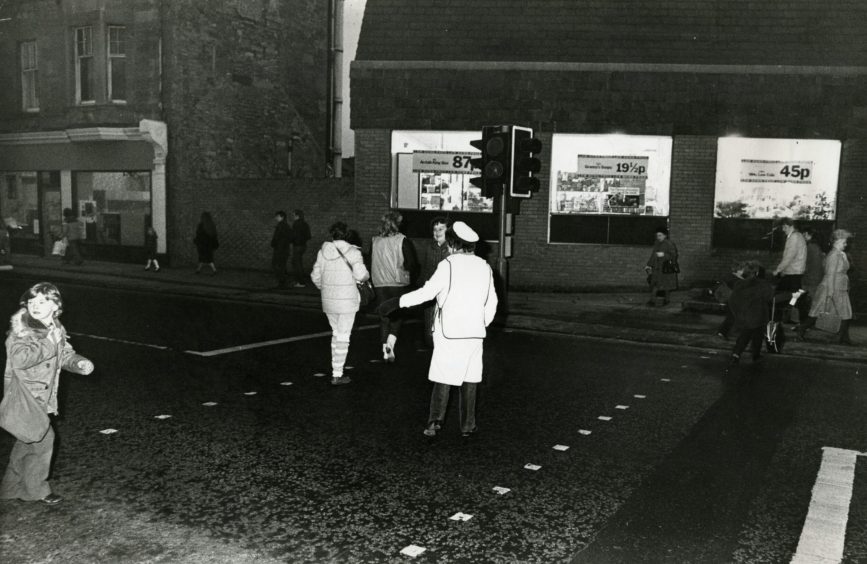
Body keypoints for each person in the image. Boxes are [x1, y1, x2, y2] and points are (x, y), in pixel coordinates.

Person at [378, 221, 497, 438]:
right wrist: (481, 323)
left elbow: (426, 293)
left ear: (453, 244)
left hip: (450, 332)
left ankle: (435, 422)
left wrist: (397, 302)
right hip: (475, 332)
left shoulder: (448, 265)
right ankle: (468, 425)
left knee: (444, 376)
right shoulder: (485, 267)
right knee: (470, 378)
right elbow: (492, 303)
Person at [0, 282, 94, 505]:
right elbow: (20, 359)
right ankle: (37, 490)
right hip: (26, 396)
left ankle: (10, 488)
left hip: (44, 396)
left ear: (55, 305)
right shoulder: (21, 329)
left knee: (27, 440)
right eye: (32, 302)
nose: (36, 306)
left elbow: (63, 354)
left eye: (42, 301)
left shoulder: (55, 327)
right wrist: (49, 344)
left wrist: (79, 363)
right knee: (43, 438)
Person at [311, 222, 370, 386]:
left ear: (332, 235)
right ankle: (337, 374)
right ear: (347, 235)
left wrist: (326, 288)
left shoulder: (322, 252)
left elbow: (316, 277)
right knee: (344, 336)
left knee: (336, 334)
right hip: (347, 301)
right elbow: (361, 275)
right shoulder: (353, 252)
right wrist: (365, 277)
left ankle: (335, 368)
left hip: (328, 301)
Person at [725, 262, 796, 371]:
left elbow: (732, 300)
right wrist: (791, 295)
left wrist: (738, 314)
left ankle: (736, 355)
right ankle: (755, 355)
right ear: (757, 273)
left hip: (744, 316)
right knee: (756, 335)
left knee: (746, 334)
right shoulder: (762, 284)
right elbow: (771, 298)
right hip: (758, 316)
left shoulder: (739, 284)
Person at [370, 211, 418, 362]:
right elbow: (411, 263)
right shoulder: (403, 240)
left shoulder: (375, 241)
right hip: (398, 283)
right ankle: (391, 343)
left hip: (379, 283)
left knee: (384, 317)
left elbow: (369, 260)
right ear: (398, 224)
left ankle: (385, 349)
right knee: (397, 316)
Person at [797, 229, 854, 345]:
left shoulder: (841, 254)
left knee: (845, 313)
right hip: (832, 287)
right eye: (844, 242)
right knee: (818, 313)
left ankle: (844, 338)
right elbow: (830, 275)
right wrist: (831, 292)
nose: (846, 244)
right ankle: (801, 329)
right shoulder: (834, 255)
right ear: (837, 241)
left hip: (840, 287)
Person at [417, 217, 450, 349]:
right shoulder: (428, 247)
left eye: (441, 229)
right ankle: (431, 346)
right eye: (435, 229)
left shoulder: (451, 248)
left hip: (446, 292)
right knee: (430, 320)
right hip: (431, 291)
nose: (437, 232)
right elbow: (425, 268)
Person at [772, 218, 807, 322]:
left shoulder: (794, 237)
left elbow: (789, 257)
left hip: (793, 273)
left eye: (785, 227)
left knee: (778, 297)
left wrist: (778, 270)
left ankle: (776, 319)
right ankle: (793, 318)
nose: (783, 229)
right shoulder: (798, 236)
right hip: (794, 272)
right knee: (794, 297)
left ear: (791, 226)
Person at [644, 227, 678, 306]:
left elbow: (674, 256)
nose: (658, 237)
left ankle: (662, 300)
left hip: (666, 268)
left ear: (665, 235)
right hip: (658, 268)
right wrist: (648, 265)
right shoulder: (657, 244)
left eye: (660, 235)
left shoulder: (669, 244)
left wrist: (663, 255)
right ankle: (657, 300)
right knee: (657, 284)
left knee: (664, 285)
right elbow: (653, 255)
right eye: (657, 235)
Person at [716, 261, 746, 339]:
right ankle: (722, 332)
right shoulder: (736, 280)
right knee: (732, 317)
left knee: (731, 317)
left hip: (730, 301)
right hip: (734, 301)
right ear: (738, 270)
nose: (743, 271)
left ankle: (722, 332)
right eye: (742, 269)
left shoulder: (731, 277)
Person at [270, 211, 293, 289]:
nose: (276, 218)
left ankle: (282, 282)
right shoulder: (286, 226)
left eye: (277, 216)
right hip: (284, 249)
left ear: (282, 217)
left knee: (276, 265)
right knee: (281, 265)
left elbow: (277, 237)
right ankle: (283, 282)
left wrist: (273, 243)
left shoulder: (281, 226)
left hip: (280, 249)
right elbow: (290, 238)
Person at [290, 209, 311, 287]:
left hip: (297, 246)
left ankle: (300, 282)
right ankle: (300, 281)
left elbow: (293, 235)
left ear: (297, 215)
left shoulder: (296, 224)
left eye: (293, 215)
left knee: (296, 264)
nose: (293, 217)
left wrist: (293, 240)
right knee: (298, 263)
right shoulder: (305, 224)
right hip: (303, 246)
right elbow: (309, 236)